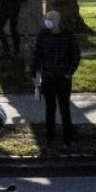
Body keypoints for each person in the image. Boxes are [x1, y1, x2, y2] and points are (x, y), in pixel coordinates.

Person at [30, 9, 82, 151]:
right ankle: (49, 137)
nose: (48, 20)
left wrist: (68, 74)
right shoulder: (42, 34)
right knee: (50, 108)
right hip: (47, 77)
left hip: (63, 78)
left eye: (51, 18)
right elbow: (37, 53)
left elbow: (76, 56)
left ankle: (68, 139)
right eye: (47, 18)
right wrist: (33, 72)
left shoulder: (68, 35)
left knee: (65, 109)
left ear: (58, 20)